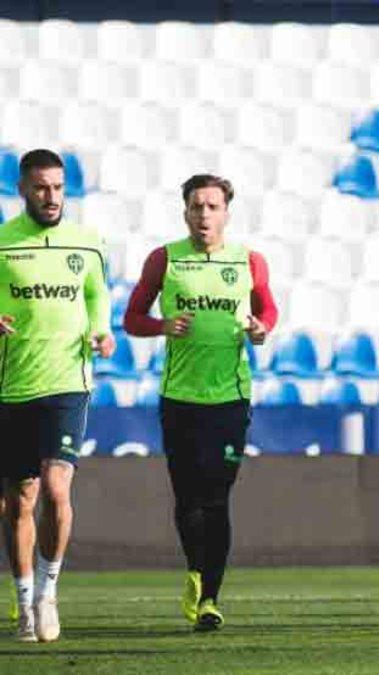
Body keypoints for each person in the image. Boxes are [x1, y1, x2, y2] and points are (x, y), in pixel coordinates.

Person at [123, 174, 277, 631]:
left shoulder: (248, 260)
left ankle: (210, 597)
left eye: (212, 207)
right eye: (196, 206)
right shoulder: (165, 259)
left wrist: (261, 329)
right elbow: (132, 318)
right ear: (185, 211)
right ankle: (195, 570)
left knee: (217, 497)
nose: (204, 215)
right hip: (180, 398)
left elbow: (267, 309)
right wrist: (162, 326)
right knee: (188, 496)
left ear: (226, 212)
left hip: (230, 397)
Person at [0, 149, 114, 642]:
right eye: (42, 188)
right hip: (12, 386)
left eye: (59, 187)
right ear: (24, 189)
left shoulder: (86, 244)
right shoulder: (3, 243)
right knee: (19, 500)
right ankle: (23, 601)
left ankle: (48, 595)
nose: (51, 197)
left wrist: (103, 330)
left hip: (68, 381)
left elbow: (96, 293)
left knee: (55, 487)